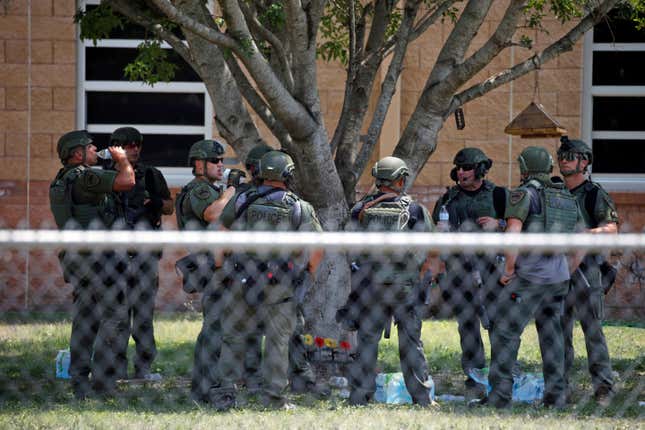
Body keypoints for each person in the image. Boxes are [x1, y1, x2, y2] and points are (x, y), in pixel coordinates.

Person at [213, 150, 324, 410]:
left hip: (242, 276)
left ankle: (226, 395)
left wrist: (219, 267)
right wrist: (309, 271)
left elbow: (220, 232)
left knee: (233, 337)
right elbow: (318, 245)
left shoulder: (242, 199)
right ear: (288, 174)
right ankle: (274, 399)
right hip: (280, 282)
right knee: (277, 340)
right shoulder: (298, 205)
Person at [476, 146, 582, 409]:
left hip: (528, 279)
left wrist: (508, 270)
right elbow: (581, 240)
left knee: (505, 333)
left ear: (524, 168)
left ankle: (499, 397)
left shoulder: (524, 194)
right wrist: (566, 271)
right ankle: (556, 398)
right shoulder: (565, 196)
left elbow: (513, 233)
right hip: (557, 280)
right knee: (552, 336)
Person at [340, 156, 435, 406]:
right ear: (401, 179)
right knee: (411, 342)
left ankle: (360, 396)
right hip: (405, 286)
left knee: (367, 340)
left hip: (370, 286)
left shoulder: (360, 210)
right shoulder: (415, 210)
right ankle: (422, 398)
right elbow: (430, 249)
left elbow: (349, 246)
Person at [49, 129, 135, 399]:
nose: (95, 148)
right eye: (89, 147)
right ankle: (103, 382)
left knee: (85, 319)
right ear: (77, 154)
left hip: (78, 259)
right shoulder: (85, 176)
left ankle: (79, 380)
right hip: (101, 260)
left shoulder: (61, 180)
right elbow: (127, 181)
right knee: (114, 317)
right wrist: (121, 159)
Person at [431, 148, 507, 392]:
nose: (461, 173)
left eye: (467, 168)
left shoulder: (499, 196)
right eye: (459, 168)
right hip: (458, 270)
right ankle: (474, 375)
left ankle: (501, 373)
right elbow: (437, 231)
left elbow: (519, 226)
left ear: (481, 170)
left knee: (498, 321)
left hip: (492, 268)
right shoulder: (448, 199)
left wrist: (500, 223)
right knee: (467, 323)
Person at [107, 127, 174, 381]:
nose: (134, 148)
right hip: (115, 257)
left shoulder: (151, 175)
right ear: (116, 147)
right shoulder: (104, 176)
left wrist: (155, 202)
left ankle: (143, 368)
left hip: (145, 256)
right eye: (128, 144)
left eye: (137, 144)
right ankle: (116, 369)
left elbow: (169, 206)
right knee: (117, 316)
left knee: (143, 316)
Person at [557, 136, 617, 406]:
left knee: (592, 332)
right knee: (558, 332)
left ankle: (603, 387)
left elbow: (611, 229)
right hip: (557, 270)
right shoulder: (554, 192)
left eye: (570, 156)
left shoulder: (594, 194)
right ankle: (560, 386)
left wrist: (586, 234)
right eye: (561, 155)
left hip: (587, 272)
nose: (563, 160)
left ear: (584, 162)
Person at [175, 139, 236, 403]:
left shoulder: (210, 188)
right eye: (214, 161)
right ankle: (210, 388)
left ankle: (204, 386)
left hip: (214, 264)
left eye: (222, 160)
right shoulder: (200, 190)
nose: (220, 164)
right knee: (216, 329)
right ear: (199, 164)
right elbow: (213, 214)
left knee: (214, 327)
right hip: (211, 266)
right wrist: (232, 189)